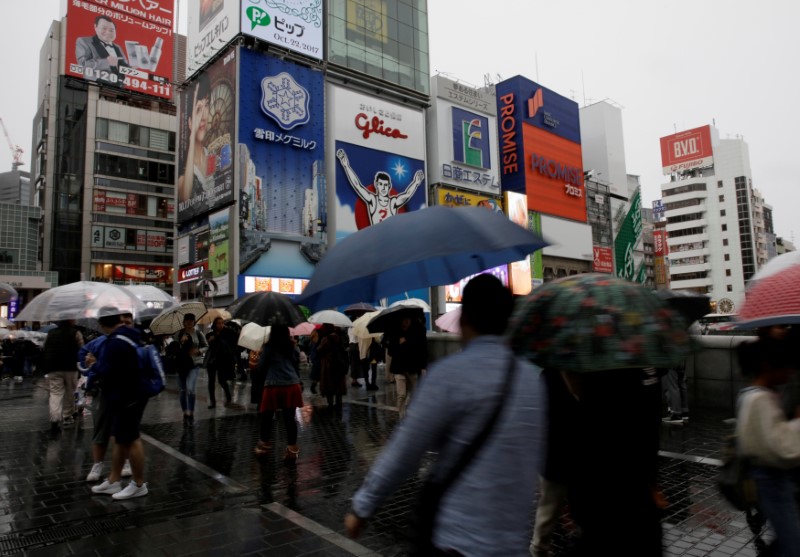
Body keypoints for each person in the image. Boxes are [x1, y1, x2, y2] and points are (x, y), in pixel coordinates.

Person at [345, 274, 545, 556]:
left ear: (463, 320)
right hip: (512, 545)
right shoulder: (530, 379)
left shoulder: (451, 375)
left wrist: (363, 505)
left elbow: (405, 449)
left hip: (456, 540)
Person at [736, 337, 800, 557]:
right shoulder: (760, 400)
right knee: (791, 543)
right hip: (771, 479)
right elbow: (782, 449)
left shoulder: (750, 394)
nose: (790, 371)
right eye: (786, 365)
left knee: (787, 540)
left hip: (768, 479)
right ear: (768, 365)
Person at [88, 309, 150, 500]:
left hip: (127, 395)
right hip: (129, 393)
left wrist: (94, 363)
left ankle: (139, 484)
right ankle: (114, 480)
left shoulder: (116, 342)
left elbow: (109, 370)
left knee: (131, 439)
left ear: (102, 325)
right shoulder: (130, 336)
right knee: (120, 439)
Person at [79, 312, 134, 483]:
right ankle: (98, 463)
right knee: (101, 428)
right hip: (102, 391)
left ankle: (125, 463)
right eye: (121, 322)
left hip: (125, 392)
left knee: (124, 431)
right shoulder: (99, 343)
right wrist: (89, 364)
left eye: (128, 322)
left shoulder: (132, 343)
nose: (124, 325)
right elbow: (83, 360)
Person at [336, 148, 425, 227]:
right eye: (381, 184)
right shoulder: (373, 200)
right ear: (376, 185)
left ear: (389, 187)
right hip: (376, 241)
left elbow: (407, 195)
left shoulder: (393, 203)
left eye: (385, 185)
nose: (383, 187)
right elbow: (357, 185)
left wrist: (416, 182)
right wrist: (346, 166)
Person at [253, 324, 303, 463]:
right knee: (289, 419)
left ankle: (264, 445)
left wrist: (259, 359)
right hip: (292, 384)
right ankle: (292, 450)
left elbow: (261, 367)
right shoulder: (292, 347)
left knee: (267, 416)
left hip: (273, 385)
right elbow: (296, 365)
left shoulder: (269, 347)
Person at [41, 319, 84, 432]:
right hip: (71, 367)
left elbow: (45, 348)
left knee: (55, 393)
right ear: (70, 320)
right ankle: (66, 416)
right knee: (70, 391)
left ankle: (55, 419)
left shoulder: (51, 333)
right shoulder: (76, 333)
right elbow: (82, 349)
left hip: (53, 367)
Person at [177, 73, 211, 206]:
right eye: (198, 109)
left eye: (206, 105)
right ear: (189, 121)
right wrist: (192, 138)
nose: (203, 116)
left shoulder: (214, 155)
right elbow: (185, 198)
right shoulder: (183, 169)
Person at [385, 313, 428, 419]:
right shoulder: (395, 334)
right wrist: (398, 343)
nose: (407, 321)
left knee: (413, 394)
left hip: (412, 367)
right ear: (400, 321)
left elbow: (421, 350)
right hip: (399, 368)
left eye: (408, 319)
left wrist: (423, 366)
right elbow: (390, 352)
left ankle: (409, 412)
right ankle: (401, 416)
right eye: (404, 319)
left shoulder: (416, 332)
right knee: (401, 394)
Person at [172, 313, 207, 426]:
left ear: (194, 322)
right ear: (184, 322)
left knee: (190, 389)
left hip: (194, 364)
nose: (189, 322)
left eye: (191, 320)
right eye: (187, 320)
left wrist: (199, 351)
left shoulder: (198, 333)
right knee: (182, 390)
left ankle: (191, 413)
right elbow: (173, 348)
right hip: (181, 365)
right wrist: (181, 342)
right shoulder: (178, 333)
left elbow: (206, 346)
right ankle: (185, 413)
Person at [75, 15, 129, 86]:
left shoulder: (117, 47)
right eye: (104, 28)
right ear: (95, 27)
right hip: (94, 85)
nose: (108, 32)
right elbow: (82, 65)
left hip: (120, 88)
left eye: (111, 30)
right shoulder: (84, 41)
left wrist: (131, 68)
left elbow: (124, 67)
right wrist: (106, 62)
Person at [204, 317, 234, 409]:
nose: (220, 325)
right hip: (212, 360)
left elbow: (230, 343)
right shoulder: (209, 334)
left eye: (222, 323)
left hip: (222, 360)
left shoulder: (227, 333)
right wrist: (209, 341)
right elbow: (206, 346)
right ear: (214, 324)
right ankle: (213, 402)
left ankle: (228, 394)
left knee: (222, 380)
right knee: (211, 382)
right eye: (218, 323)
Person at [317, 324, 348, 410]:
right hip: (338, 364)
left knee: (329, 385)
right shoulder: (338, 337)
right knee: (338, 385)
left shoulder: (325, 339)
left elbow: (319, 350)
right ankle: (339, 403)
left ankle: (330, 404)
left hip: (328, 365)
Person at [663, 359, 689, 424]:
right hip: (682, 360)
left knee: (673, 387)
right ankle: (684, 413)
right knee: (682, 385)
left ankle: (676, 414)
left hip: (672, 361)